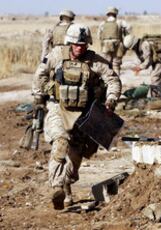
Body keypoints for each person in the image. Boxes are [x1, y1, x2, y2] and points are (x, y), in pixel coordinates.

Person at [32, 23, 121, 210]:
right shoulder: (56, 55)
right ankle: (57, 187)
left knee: (75, 158)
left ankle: (66, 188)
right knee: (60, 142)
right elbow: (40, 75)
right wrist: (43, 93)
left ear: (87, 44)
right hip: (59, 108)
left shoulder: (95, 61)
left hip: (84, 115)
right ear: (69, 43)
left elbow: (113, 80)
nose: (79, 47)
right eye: (76, 44)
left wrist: (111, 99)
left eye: (83, 44)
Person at [97, 7, 131, 76]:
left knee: (106, 64)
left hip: (105, 45)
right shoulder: (120, 22)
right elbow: (129, 28)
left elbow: (98, 36)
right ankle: (117, 81)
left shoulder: (102, 23)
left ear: (107, 14)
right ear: (116, 14)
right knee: (116, 65)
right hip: (118, 44)